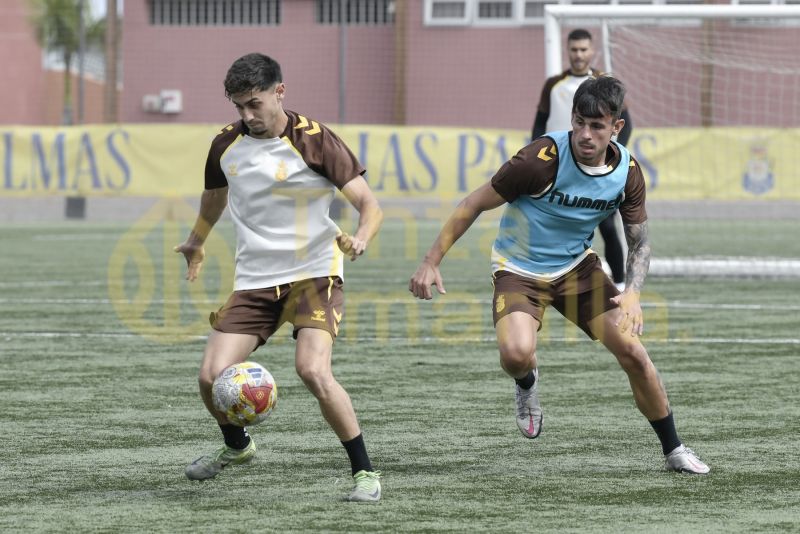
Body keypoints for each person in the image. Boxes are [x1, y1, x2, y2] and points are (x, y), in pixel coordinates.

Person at [410, 76, 709, 474]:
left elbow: (640, 242)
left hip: (577, 270)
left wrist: (633, 292)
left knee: (635, 355)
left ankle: (675, 450)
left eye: (597, 126)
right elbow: (473, 203)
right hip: (519, 269)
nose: (585, 134)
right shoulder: (540, 159)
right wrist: (431, 260)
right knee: (516, 355)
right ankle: (527, 382)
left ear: (616, 127)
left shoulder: (627, 172)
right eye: (579, 123)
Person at [175, 53, 384, 501]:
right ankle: (238, 447)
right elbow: (214, 197)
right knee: (210, 376)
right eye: (239, 106)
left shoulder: (315, 140)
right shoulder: (225, 144)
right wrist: (196, 240)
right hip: (255, 279)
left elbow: (370, 205)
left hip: (315, 275)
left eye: (254, 103)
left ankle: (365, 472)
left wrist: (361, 239)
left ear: (279, 92)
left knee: (312, 370)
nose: (247, 115)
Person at [533, 28, 631, 290]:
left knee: (607, 225)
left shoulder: (605, 84)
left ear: (592, 51)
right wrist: (538, 157)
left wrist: (610, 156)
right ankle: (547, 278)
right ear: (567, 51)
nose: (579, 55)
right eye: (574, 50)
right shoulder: (553, 85)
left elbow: (627, 124)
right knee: (553, 223)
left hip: (596, 168)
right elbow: (539, 124)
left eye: (583, 49)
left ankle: (620, 284)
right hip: (560, 169)